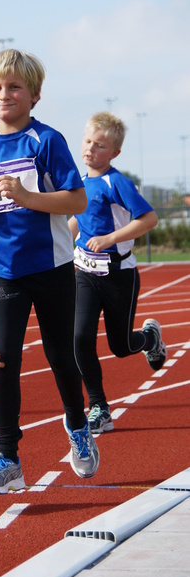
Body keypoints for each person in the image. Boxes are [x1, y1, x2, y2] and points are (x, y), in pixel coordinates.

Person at [0, 48, 99, 494]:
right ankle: (7, 459)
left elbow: (76, 200)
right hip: (4, 269)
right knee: (1, 359)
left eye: (15, 87)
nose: (5, 94)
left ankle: (78, 426)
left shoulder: (47, 141)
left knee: (60, 355)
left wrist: (27, 197)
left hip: (53, 265)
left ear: (34, 95)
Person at [68, 111, 167, 435]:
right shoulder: (78, 183)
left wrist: (110, 239)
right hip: (83, 271)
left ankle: (150, 338)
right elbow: (76, 223)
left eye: (99, 145)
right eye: (87, 142)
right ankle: (99, 407)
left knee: (120, 346)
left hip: (118, 275)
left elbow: (149, 219)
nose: (90, 149)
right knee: (79, 338)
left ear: (114, 153)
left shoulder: (117, 182)